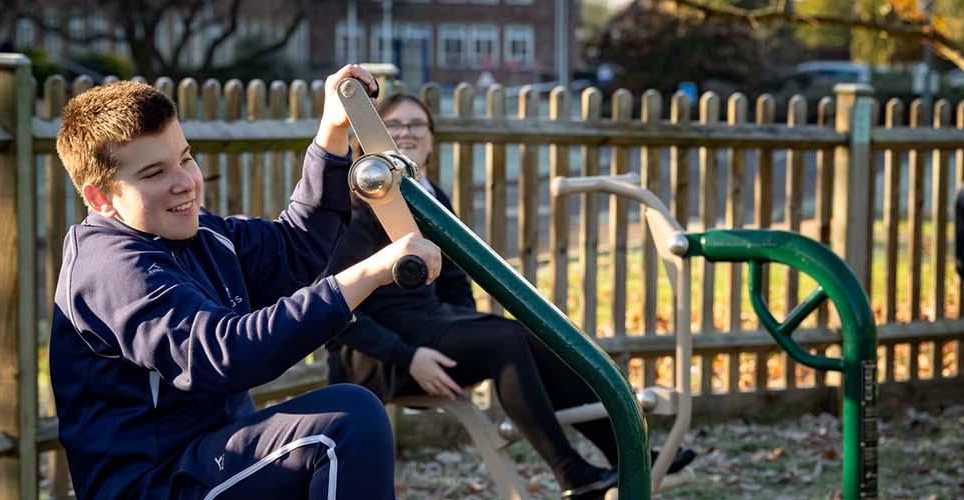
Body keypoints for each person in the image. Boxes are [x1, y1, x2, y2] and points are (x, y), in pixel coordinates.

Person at [49, 64, 444, 499]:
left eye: (185, 158)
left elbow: (296, 248)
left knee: (345, 420)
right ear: (101, 198)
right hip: (153, 482)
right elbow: (223, 353)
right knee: (345, 425)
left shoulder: (200, 235)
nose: (185, 183)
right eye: (154, 173)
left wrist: (332, 132)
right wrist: (372, 270)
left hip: (209, 459)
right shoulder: (110, 269)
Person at [324, 94, 695, 499]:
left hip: (431, 328)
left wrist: (464, 334)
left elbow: (454, 280)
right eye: (393, 125)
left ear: (431, 140)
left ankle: (625, 456)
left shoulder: (429, 195)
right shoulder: (361, 204)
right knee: (505, 341)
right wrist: (409, 356)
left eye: (417, 125)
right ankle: (572, 473)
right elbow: (333, 310)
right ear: (370, 139)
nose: (405, 133)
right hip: (375, 356)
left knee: (542, 337)